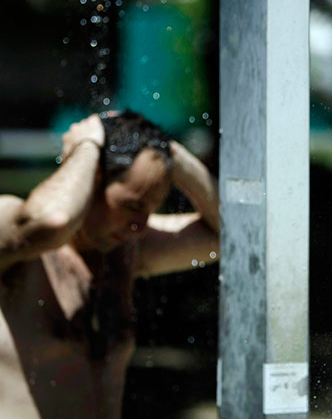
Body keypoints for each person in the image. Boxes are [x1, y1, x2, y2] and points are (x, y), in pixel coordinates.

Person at [0, 111, 219, 419]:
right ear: (92, 179)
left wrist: (172, 154)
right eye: (131, 206)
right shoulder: (13, 233)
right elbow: (53, 220)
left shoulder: (125, 252)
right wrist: (87, 145)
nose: (140, 226)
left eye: (152, 210)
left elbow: (234, 237)